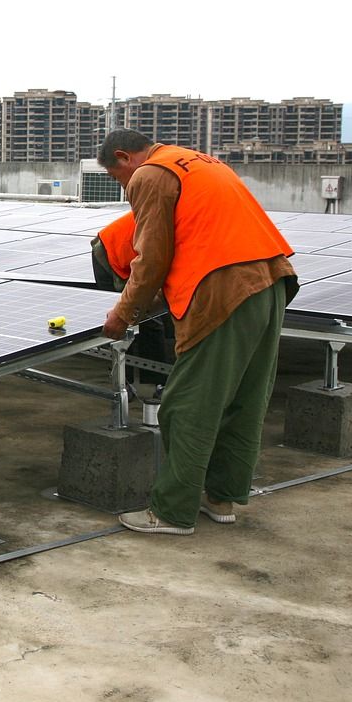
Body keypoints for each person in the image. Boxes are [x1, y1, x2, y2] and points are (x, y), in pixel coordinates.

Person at [97, 129, 297, 536]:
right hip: (271, 279)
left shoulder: (150, 175)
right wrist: (148, 305)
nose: (125, 189)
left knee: (187, 405)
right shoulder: (198, 162)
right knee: (244, 398)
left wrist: (124, 312)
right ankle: (222, 498)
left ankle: (171, 513)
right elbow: (193, 243)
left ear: (124, 157)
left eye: (119, 178)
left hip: (225, 287)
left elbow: (151, 259)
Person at [90, 209, 173, 394]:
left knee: (149, 319)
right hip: (109, 253)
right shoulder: (166, 228)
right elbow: (147, 277)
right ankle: (122, 381)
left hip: (131, 254)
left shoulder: (181, 225)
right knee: (126, 318)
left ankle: (156, 381)